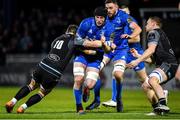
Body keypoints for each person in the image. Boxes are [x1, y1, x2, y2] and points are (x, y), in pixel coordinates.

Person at [5, 24, 109, 114]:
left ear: (67, 31)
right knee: (42, 93)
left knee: (31, 86)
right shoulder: (76, 40)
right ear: (76, 33)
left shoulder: (58, 38)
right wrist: (99, 49)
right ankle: (22, 108)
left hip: (43, 64)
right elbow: (90, 52)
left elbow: (54, 48)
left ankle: (12, 101)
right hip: (54, 71)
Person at [84, 0, 142, 112]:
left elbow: (138, 29)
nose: (108, 10)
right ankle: (96, 100)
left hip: (121, 50)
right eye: (107, 8)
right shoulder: (104, 17)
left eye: (111, 8)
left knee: (118, 75)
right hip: (107, 49)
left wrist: (130, 36)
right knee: (94, 71)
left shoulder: (124, 16)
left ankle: (118, 99)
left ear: (116, 7)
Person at [127, 16, 179, 115]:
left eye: (147, 23)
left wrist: (137, 61)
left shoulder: (153, 32)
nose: (146, 25)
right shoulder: (159, 34)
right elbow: (151, 60)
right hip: (167, 64)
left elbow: (151, 50)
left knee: (152, 80)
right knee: (146, 85)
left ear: (153, 24)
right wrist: (138, 55)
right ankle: (157, 109)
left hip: (168, 63)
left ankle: (163, 103)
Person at [73, 7, 116, 114]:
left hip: (96, 59)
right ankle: (79, 107)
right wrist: (95, 44)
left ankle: (86, 89)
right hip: (81, 55)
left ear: (105, 18)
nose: (99, 20)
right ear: (94, 17)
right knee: (78, 79)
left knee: (90, 84)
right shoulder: (86, 23)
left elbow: (108, 50)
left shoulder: (110, 28)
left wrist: (104, 44)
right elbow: (76, 41)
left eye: (102, 17)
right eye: (97, 17)